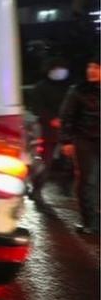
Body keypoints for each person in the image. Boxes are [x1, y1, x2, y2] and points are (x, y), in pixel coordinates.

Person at [60, 55, 100, 234]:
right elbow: (67, 116)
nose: (91, 70)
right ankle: (90, 223)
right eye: (90, 66)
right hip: (85, 140)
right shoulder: (78, 90)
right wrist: (67, 140)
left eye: (97, 67)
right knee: (87, 180)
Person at [29, 57, 73, 201]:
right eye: (56, 69)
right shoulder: (40, 87)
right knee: (45, 163)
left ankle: (66, 188)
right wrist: (51, 119)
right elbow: (37, 107)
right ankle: (37, 190)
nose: (60, 72)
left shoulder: (69, 88)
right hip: (48, 131)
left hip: (68, 131)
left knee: (70, 162)